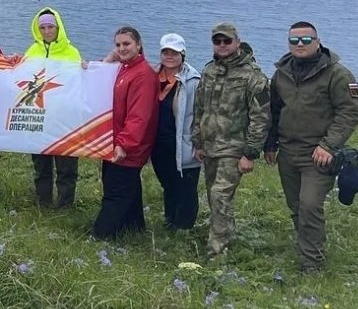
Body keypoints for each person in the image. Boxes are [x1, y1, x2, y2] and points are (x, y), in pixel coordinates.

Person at [265, 21, 358, 273]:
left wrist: (328, 146)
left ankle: (313, 264)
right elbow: (274, 111)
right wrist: (270, 144)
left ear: (318, 42)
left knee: (310, 205)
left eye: (306, 40)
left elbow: (349, 113)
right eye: (294, 40)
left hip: (318, 154)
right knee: (297, 206)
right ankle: (306, 245)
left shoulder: (337, 74)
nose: (300, 45)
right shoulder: (282, 73)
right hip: (288, 151)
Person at [192, 23, 270, 256]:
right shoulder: (208, 72)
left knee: (219, 194)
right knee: (215, 196)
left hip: (234, 148)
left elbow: (261, 117)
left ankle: (217, 249)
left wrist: (250, 153)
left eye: (227, 41)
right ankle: (223, 231)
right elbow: (199, 108)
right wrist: (198, 141)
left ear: (237, 42)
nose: (222, 45)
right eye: (218, 41)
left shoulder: (253, 76)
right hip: (210, 146)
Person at [92, 26, 158, 239]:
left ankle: (101, 235)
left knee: (115, 193)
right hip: (116, 141)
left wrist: (124, 144)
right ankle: (134, 228)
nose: (122, 48)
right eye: (118, 45)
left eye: (127, 44)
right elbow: (100, 77)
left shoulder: (143, 75)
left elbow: (139, 116)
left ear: (139, 45)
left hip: (127, 147)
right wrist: (109, 59)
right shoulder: (124, 68)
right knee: (130, 187)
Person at [24, 7, 82, 207]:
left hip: (64, 119)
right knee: (41, 166)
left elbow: (80, 84)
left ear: (58, 28)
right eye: (43, 28)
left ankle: (65, 206)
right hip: (39, 118)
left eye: (50, 27)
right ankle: (44, 202)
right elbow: (21, 79)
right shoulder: (32, 52)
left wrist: (88, 70)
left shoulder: (72, 52)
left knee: (66, 167)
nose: (47, 31)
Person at [150, 33, 202, 231]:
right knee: (168, 184)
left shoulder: (193, 80)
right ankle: (170, 221)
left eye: (174, 52)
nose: (169, 56)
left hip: (185, 142)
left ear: (183, 54)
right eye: (165, 52)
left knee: (186, 188)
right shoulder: (153, 76)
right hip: (158, 143)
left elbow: (201, 113)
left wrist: (200, 143)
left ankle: (184, 229)